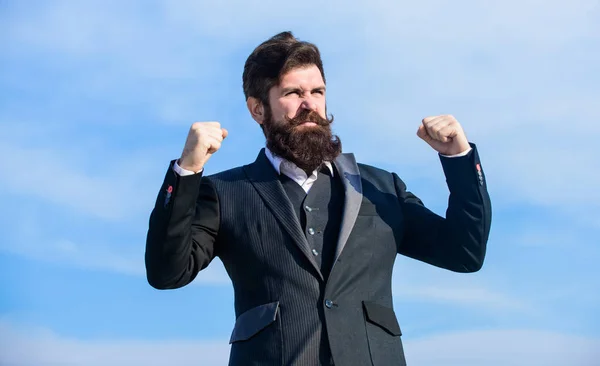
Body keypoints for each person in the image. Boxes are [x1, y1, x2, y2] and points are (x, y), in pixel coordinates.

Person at [145, 31, 492, 366]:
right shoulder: (225, 193)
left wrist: (458, 159)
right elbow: (167, 272)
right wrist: (187, 172)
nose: (309, 104)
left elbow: (464, 252)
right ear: (257, 109)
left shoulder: (380, 187)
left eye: (317, 91)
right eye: (292, 93)